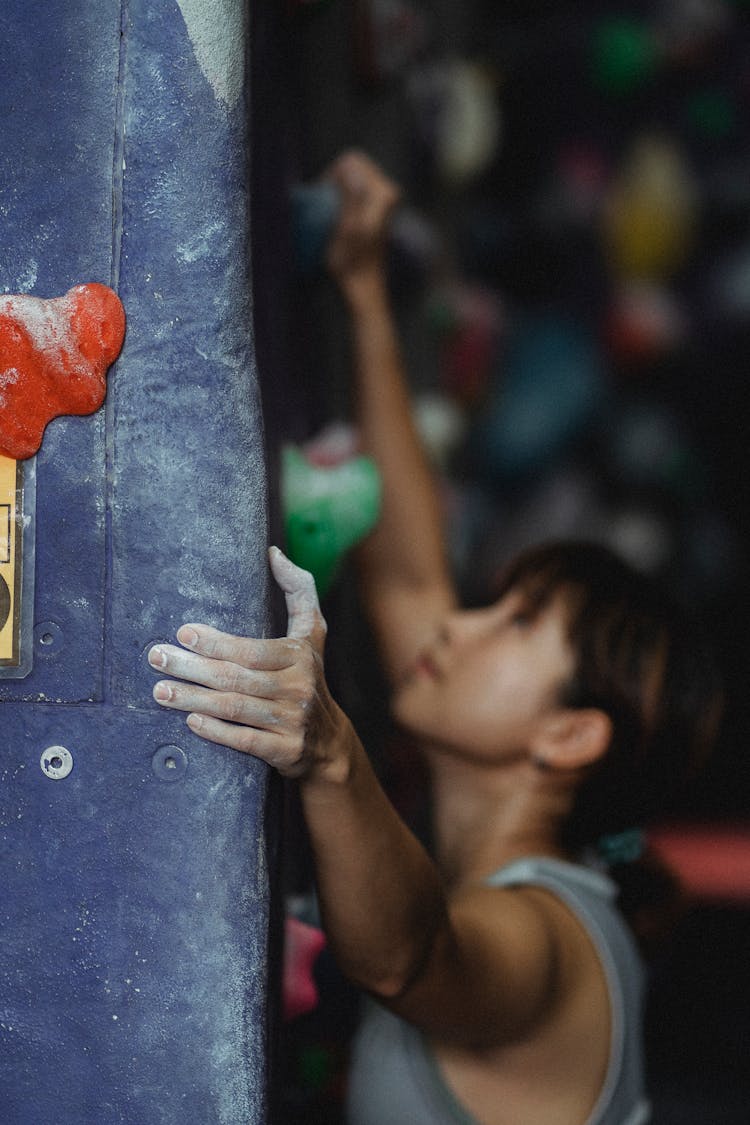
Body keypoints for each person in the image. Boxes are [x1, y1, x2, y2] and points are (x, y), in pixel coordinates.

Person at [147, 152, 722, 1125]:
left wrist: (331, 755)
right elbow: (412, 580)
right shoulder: (538, 864)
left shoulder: (549, 943)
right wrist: (366, 292)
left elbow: (413, 955)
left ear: (569, 737)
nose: (458, 625)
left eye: (518, 624)